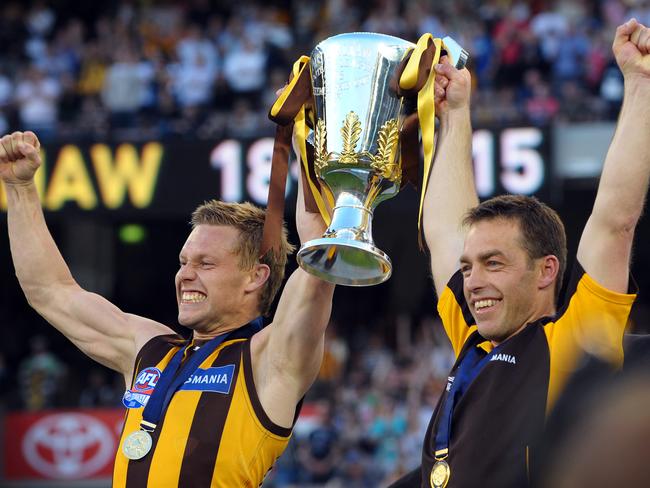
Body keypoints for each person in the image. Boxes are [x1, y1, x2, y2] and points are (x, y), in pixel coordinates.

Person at [391, 18, 649, 487]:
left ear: (546, 270)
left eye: (494, 263)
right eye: (469, 268)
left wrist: (641, 81)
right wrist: (455, 111)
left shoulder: (576, 337)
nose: (472, 281)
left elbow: (615, 219)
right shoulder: (471, 336)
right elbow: (449, 232)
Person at [0, 130, 334, 486]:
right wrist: (20, 189)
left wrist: (304, 141)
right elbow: (50, 291)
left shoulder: (269, 359)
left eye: (205, 264)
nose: (184, 276)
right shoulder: (152, 348)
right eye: (183, 262)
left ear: (256, 276)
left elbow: (319, 263)